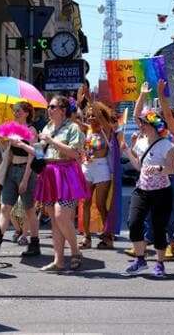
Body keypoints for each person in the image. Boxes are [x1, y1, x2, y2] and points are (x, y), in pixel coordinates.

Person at [121, 86, 174, 277]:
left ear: (153, 126)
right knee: (134, 222)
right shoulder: (141, 142)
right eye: (142, 122)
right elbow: (138, 167)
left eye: (144, 123)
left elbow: (172, 169)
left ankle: (160, 263)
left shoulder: (167, 145)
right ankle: (140, 259)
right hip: (142, 189)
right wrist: (127, 151)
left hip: (161, 191)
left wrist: (160, 169)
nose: (141, 125)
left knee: (158, 226)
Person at [35, 96, 90, 272]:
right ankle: (58, 261)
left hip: (66, 172)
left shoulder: (73, 128)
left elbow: (75, 153)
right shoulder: (47, 127)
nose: (48, 109)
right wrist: (24, 144)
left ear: (62, 110)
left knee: (61, 216)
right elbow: (40, 152)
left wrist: (51, 141)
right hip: (49, 172)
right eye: (48, 107)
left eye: (52, 106)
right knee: (54, 221)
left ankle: (75, 251)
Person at [0, 101, 41, 257]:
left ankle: (35, 243)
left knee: (29, 209)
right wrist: (1, 137)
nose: (16, 113)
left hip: (25, 171)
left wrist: (25, 179)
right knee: (4, 208)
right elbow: (4, 148)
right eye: (15, 110)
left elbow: (32, 155)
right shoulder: (12, 128)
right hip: (11, 170)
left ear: (27, 113)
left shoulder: (31, 130)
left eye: (19, 111)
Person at [79, 101, 117, 250]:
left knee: (101, 204)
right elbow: (74, 118)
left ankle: (108, 237)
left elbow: (101, 117)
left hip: (102, 169)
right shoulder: (87, 130)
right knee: (85, 203)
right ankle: (86, 237)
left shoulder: (106, 130)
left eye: (93, 116)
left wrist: (91, 100)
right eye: (88, 116)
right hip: (87, 168)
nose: (90, 118)